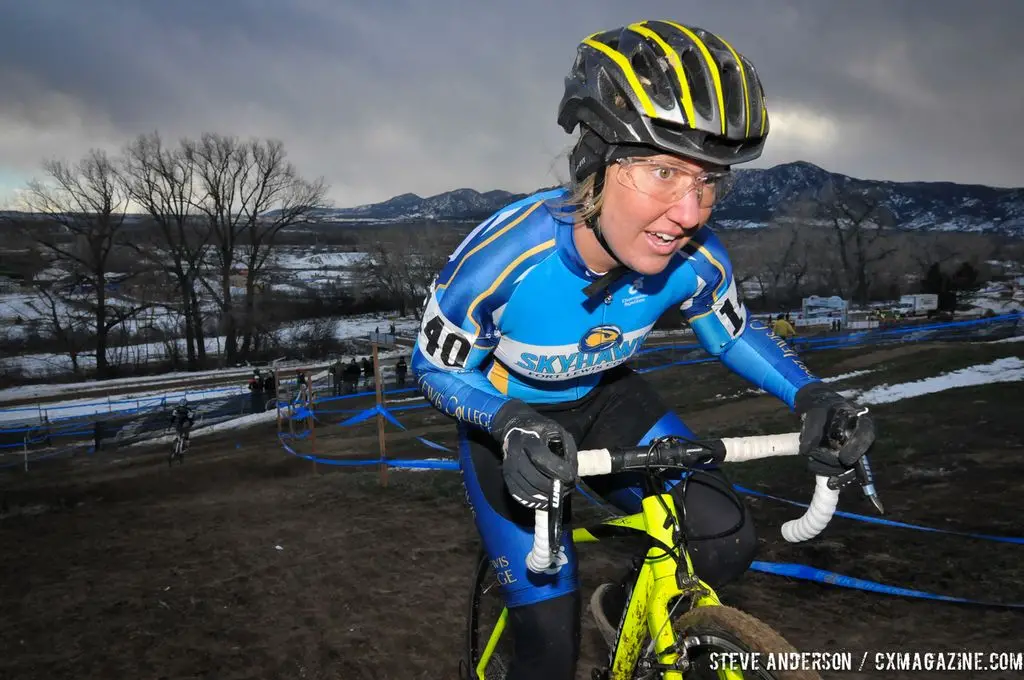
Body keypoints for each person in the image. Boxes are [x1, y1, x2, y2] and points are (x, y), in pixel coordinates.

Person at [411, 20, 875, 680]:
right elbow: (430, 365)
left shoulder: (696, 258)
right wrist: (507, 423)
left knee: (725, 541)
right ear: (596, 165)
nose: (691, 211)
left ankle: (640, 633)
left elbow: (735, 333)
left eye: (709, 181)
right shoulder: (504, 257)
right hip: (506, 418)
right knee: (547, 644)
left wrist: (812, 394)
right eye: (663, 172)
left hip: (607, 397)